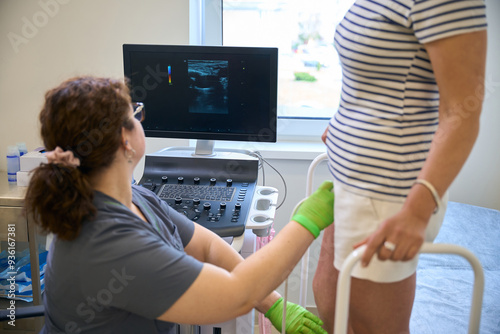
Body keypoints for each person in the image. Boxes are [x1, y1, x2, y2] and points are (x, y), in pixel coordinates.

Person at [25, 76, 335, 334]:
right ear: (125, 139)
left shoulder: (135, 198)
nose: (140, 118)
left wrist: (274, 304)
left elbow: (207, 247)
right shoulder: (107, 242)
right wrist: (307, 221)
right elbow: (235, 295)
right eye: (136, 113)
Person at [312, 0, 488, 333]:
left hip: (389, 192)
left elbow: (462, 114)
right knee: (329, 298)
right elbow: (377, 77)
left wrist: (417, 213)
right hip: (351, 180)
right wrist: (345, 123)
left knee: (369, 325)